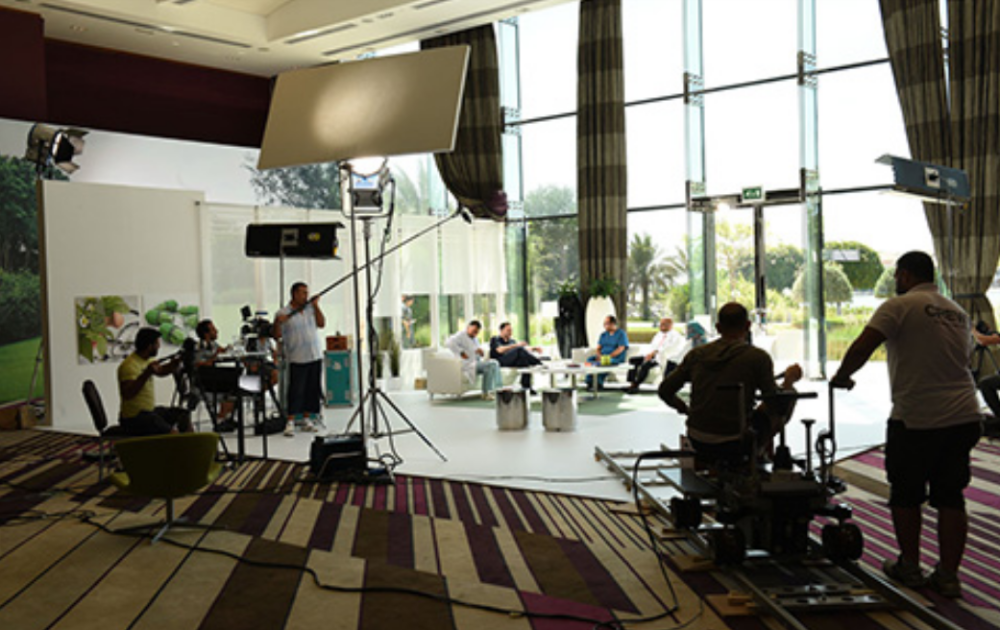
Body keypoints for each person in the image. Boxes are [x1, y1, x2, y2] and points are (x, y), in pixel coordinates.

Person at [831, 251, 981, 598]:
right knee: (951, 496)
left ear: (905, 275)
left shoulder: (898, 306)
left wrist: (841, 376)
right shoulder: (957, 312)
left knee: (906, 493)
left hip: (917, 417)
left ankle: (909, 566)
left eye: (898, 275)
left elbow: (863, 346)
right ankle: (948, 576)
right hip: (964, 415)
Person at [659, 302, 802, 466]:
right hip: (736, 440)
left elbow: (665, 391)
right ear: (748, 326)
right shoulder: (758, 358)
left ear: (718, 328)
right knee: (788, 398)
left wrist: (686, 409)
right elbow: (775, 404)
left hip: (698, 438)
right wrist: (789, 381)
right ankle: (755, 452)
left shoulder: (696, 355)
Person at [117, 327, 192, 436]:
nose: (159, 346)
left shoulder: (146, 359)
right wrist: (146, 373)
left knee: (182, 414)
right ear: (149, 346)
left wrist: (174, 364)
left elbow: (160, 371)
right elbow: (128, 394)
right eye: (157, 343)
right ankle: (179, 443)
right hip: (134, 418)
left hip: (149, 412)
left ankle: (192, 441)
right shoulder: (129, 366)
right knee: (172, 433)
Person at [274, 282, 325, 437]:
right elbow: (276, 335)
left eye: (307, 293)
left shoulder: (310, 309)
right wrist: (278, 322)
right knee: (296, 390)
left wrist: (316, 306)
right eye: (303, 293)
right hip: (297, 357)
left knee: (312, 389)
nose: (305, 296)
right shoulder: (283, 312)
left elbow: (321, 324)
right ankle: (290, 421)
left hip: (314, 354)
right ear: (294, 294)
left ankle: (307, 419)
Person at [192, 319, 236, 431]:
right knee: (232, 384)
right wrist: (215, 357)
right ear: (206, 333)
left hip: (212, 378)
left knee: (235, 383)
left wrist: (230, 349)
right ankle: (221, 419)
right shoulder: (199, 347)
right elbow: (198, 364)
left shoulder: (213, 344)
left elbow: (221, 351)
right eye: (213, 329)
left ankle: (225, 418)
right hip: (204, 382)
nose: (217, 331)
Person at [626, 317, 685, 394]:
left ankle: (636, 385)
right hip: (651, 355)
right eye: (661, 324)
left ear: (670, 325)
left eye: (663, 324)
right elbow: (652, 346)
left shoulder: (675, 336)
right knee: (633, 360)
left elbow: (669, 348)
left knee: (645, 365)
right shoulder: (658, 335)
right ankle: (631, 382)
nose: (661, 326)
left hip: (662, 357)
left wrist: (654, 353)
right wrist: (648, 354)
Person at [446, 320, 502, 400]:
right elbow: (449, 343)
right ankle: (487, 392)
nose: (475, 334)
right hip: (466, 364)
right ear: (468, 327)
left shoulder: (475, 339)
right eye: (473, 331)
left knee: (495, 363)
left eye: (477, 332)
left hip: (475, 362)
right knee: (491, 364)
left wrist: (480, 352)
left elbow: (473, 350)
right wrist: (461, 352)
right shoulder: (460, 335)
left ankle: (496, 390)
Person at [490, 322, 543, 392]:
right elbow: (499, 350)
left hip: (511, 361)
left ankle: (526, 387)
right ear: (501, 330)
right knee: (519, 350)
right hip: (500, 361)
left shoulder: (512, 341)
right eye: (508, 330)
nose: (510, 332)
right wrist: (517, 345)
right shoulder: (495, 339)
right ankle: (539, 363)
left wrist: (534, 348)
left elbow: (523, 350)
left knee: (523, 360)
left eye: (511, 330)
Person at [585, 315, 629, 390]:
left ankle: (598, 383)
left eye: (606, 323)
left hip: (615, 358)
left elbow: (620, 349)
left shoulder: (621, 334)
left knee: (603, 362)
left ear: (613, 324)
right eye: (604, 323)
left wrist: (608, 356)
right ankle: (589, 382)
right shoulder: (603, 335)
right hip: (602, 356)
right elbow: (598, 348)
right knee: (589, 361)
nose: (604, 325)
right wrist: (599, 355)